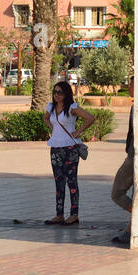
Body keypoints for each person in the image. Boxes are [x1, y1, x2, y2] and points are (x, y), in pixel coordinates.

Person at [43, 79, 96, 226]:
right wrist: (53, 129)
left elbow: (90, 118)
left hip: (70, 149)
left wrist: (78, 132)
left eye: (60, 92)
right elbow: (45, 118)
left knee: (71, 181)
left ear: (66, 94)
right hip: (55, 148)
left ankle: (74, 215)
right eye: (55, 92)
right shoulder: (51, 107)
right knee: (58, 182)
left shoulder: (72, 107)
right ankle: (59, 214)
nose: (57, 95)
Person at [111, 74, 135, 244]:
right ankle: (135, 222)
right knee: (120, 193)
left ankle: (134, 224)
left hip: (135, 155)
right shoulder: (136, 105)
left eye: (132, 84)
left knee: (118, 193)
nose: (129, 87)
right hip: (131, 153)